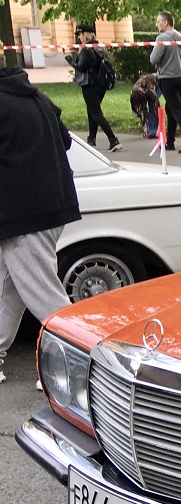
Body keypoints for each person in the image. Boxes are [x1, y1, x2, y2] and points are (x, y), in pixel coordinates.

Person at [0, 66, 80, 385]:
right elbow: (65, 142)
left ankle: (76, 363)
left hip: (21, 216)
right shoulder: (38, 98)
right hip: (50, 207)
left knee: (42, 293)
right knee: (9, 289)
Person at [64, 23, 122, 152]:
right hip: (100, 84)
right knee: (92, 111)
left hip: (89, 85)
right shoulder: (99, 47)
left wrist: (69, 59)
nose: (79, 37)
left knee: (96, 113)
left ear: (86, 34)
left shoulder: (86, 49)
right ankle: (91, 139)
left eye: (80, 34)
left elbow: (81, 67)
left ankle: (113, 140)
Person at [149, 11, 181, 154]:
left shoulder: (162, 38)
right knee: (171, 109)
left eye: (158, 21)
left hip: (167, 78)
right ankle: (169, 141)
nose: (157, 24)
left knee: (176, 110)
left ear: (166, 22)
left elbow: (153, 59)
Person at [130, 73, 161, 138]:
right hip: (144, 88)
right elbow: (142, 113)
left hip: (159, 81)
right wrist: (145, 130)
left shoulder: (150, 90)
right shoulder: (133, 94)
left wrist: (159, 114)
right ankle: (149, 130)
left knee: (152, 106)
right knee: (143, 111)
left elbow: (157, 103)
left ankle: (154, 131)